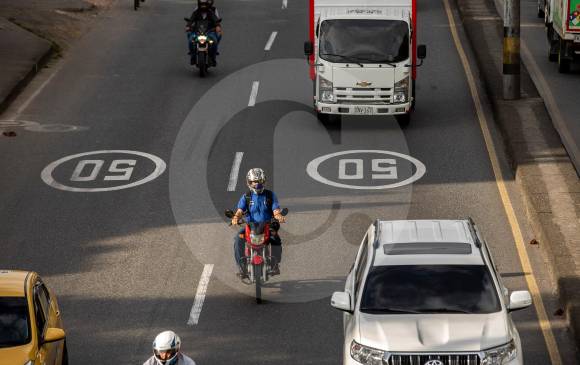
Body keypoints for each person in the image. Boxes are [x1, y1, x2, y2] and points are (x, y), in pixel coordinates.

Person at [231, 168, 286, 276]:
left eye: (259, 182)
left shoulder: (270, 195)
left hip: (267, 225)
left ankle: (275, 265)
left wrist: (278, 215)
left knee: (276, 239)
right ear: (249, 183)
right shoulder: (246, 196)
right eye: (254, 182)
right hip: (250, 226)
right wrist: (236, 217)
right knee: (238, 239)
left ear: (263, 181)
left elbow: (275, 208)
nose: (257, 185)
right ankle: (241, 267)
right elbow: (240, 210)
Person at [186, 0, 222, 66]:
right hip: (197, 32)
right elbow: (191, 19)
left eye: (204, 5)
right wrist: (188, 26)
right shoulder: (196, 12)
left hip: (209, 32)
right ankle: (193, 56)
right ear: (199, 5)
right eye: (202, 5)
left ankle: (213, 58)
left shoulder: (211, 12)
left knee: (214, 40)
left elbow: (216, 20)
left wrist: (217, 26)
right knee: (191, 40)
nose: (203, 6)